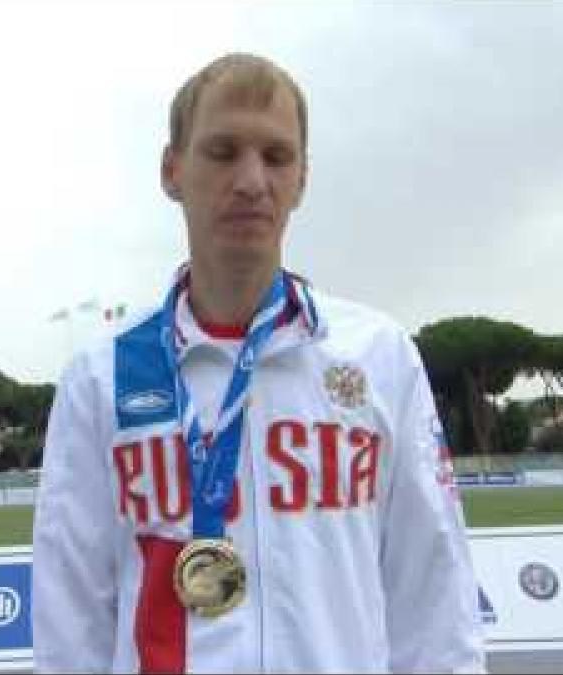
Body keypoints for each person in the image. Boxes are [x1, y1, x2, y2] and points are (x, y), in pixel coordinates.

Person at [32, 53, 486, 673]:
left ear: (301, 179)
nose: (251, 181)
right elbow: (71, 613)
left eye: (277, 157)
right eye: (223, 152)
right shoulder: (101, 375)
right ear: (172, 170)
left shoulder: (379, 355)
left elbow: (434, 589)